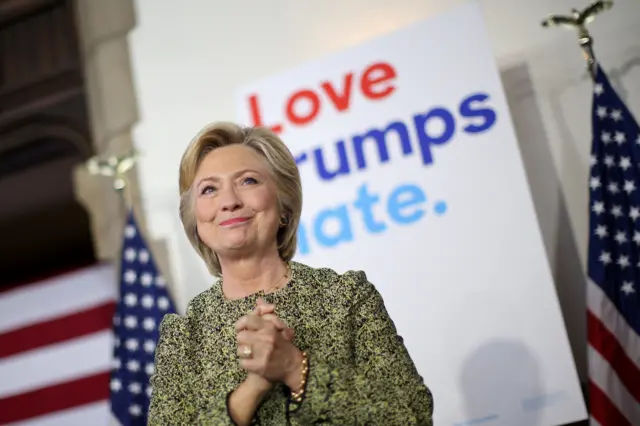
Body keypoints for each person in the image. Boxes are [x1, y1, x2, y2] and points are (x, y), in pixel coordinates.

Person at [147, 122, 434, 425]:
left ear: (284, 206)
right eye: (209, 189)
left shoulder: (346, 297)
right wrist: (251, 390)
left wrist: (295, 368)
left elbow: (412, 416)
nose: (229, 201)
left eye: (247, 181)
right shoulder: (184, 336)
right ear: (196, 222)